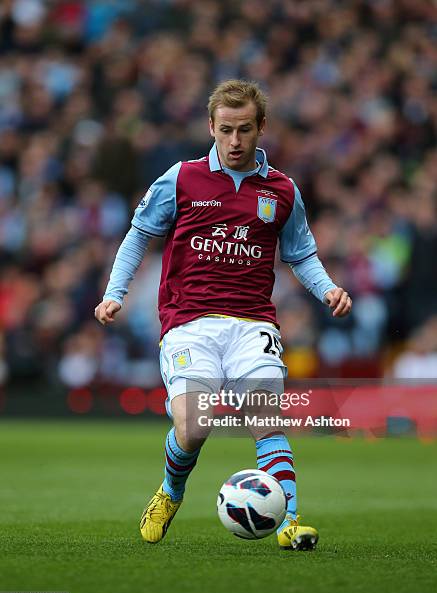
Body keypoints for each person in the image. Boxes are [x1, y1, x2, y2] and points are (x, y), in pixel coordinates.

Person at [95, 80, 352, 550]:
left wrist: (328, 288)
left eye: (245, 130)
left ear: (261, 128)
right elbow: (138, 235)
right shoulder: (182, 178)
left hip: (253, 324)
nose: (235, 142)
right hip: (189, 322)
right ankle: (171, 490)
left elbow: (301, 254)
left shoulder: (282, 190)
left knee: (265, 416)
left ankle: (290, 521)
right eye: (226, 130)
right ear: (211, 127)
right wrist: (116, 293)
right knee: (193, 426)